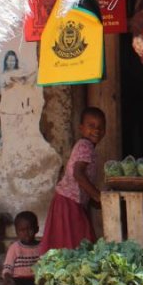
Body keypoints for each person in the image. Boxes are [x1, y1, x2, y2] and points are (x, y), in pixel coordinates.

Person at [39, 107, 105, 252]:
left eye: (100, 127)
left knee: (72, 245)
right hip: (69, 202)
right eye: (91, 126)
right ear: (81, 128)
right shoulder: (85, 146)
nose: (96, 130)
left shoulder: (87, 147)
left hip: (69, 201)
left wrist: (95, 201)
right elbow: (78, 174)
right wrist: (97, 196)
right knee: (78, 244)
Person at [2, 211, 41, 285]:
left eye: (30, 229)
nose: (26, 233)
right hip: (19, 280)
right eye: (22, 230)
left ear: (37, 229)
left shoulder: (42, 246)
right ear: (16, 232)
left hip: (36, 279)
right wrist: (7, 276)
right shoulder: (14, 247)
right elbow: (8, 266)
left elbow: (45, 264)